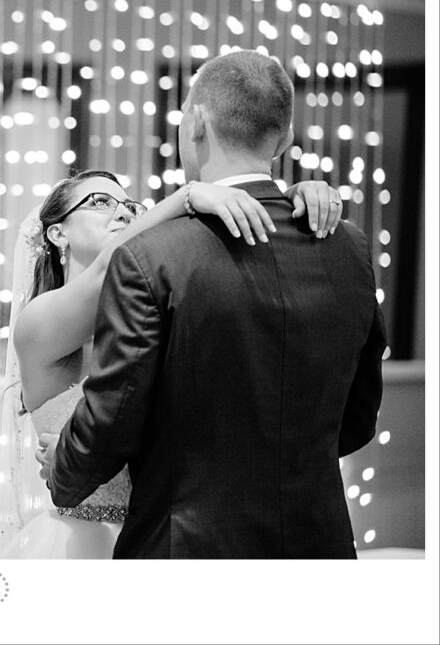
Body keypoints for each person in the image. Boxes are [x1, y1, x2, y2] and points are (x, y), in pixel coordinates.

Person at [35, 49, 387, 558]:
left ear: (196, 121)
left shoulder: (153, 255)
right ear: (285, 138)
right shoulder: (348, 245)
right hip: (320, 546)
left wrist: (62, 475)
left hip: (187, 553)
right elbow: (357, 420)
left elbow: (113, 417)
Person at [0, 165, 343, 559]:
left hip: (169, 539)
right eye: (100, 202)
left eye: (130, 205)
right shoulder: (36, 324)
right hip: (80, 547)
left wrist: (289, 200)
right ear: (58, 233)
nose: (123, 211)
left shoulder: (151, 320)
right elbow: (100, 276)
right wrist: (188, 196)